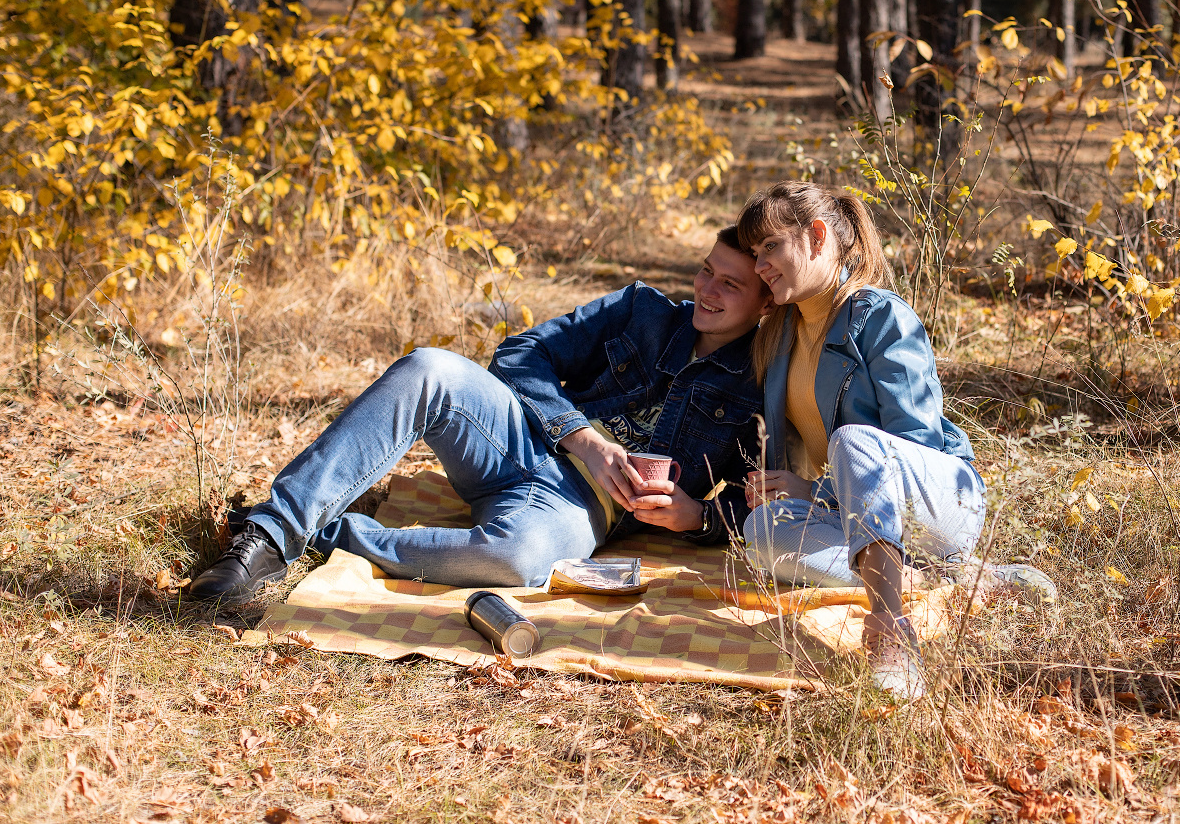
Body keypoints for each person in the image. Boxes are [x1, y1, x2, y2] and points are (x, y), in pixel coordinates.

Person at [189, 227, 774, 603]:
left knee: (516, 558)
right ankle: (269, 535)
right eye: (706, 270)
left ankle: (328, 532)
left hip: (580, 509)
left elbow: (760, 500)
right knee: (430, 368)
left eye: (730, 284)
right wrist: (583, 437)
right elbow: (520, 354)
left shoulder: (759, 389)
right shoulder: (641, 310)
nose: (708, 289)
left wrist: (697, 516)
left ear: (766, 302)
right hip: (518, 439)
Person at [736, 182, 985, 701]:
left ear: (817, 236)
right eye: (755, 253)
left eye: (770, 247)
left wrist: (816, 493)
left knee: (853, 441)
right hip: (861, 518)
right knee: (761, 529)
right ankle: (939, 579)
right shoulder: (779, 334)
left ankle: (892, 633)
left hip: (940, 500)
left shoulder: (881, 316)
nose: (759, 265)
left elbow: (916, 441)